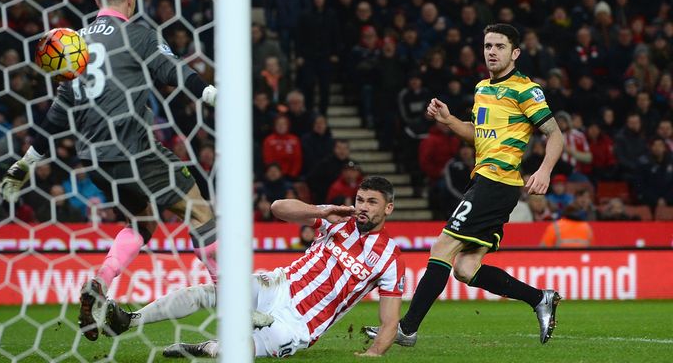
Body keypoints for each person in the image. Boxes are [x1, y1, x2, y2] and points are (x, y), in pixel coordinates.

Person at [0, 0, 219, 342]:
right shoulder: (138, 33)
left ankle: (100, 282)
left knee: (144, 221)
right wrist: (211, 94)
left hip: (94, 159)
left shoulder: (74, 42)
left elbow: (59, 109)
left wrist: (25, 162)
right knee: (199, 210)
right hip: (134, 148)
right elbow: (173, 71)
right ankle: (232, 299)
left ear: (97, 1)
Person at [365, 23, 565, 347]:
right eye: (488, 46)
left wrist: (544, 170)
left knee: (442, 247)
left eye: (500, 46)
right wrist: (448, 121)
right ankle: (540, 298)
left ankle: (407, 328)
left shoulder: (525, 89)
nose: (492, 52)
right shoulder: (482, 88)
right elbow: (477, 134)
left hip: (497, 182)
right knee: (466, 268)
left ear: (515, 52)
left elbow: (555, 134)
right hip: (487, 181)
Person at [103, 176, 406, 358]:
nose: (363, 207)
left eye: (372, 202)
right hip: (275, 286)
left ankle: (201, 348)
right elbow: (277, 209)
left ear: (388, 208)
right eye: (361, 199)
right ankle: (129, 320)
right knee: (207, 292)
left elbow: (390, 320)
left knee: (238, 352)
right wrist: (320, 210)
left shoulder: (390, 257)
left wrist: (373, 354)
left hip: (299, 326)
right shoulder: (337, 219)